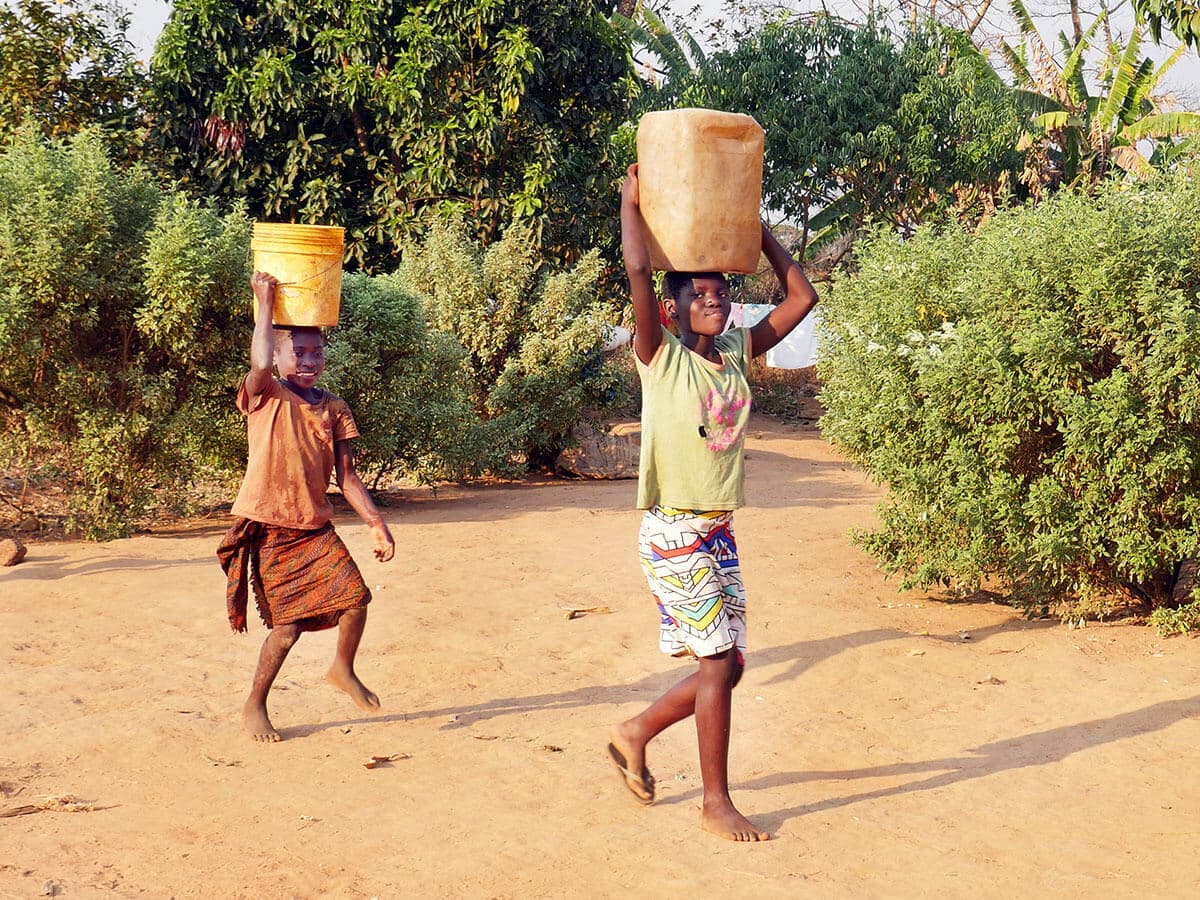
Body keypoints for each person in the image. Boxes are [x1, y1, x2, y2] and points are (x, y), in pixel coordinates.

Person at [607, 163, 818, 841]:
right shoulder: (659, 356)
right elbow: (640, 274)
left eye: (722, 290)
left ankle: (636, 731)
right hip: (673, 533)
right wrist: (630, 203)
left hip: (717, 534)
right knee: (717, 663)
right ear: (671, 309)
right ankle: (714, 803)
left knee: (732, 666)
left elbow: (802, 298)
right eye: (699, 294)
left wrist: (757, 234)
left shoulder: (735, 349)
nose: (715, 300)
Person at [217, 271, 396, 743]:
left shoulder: (334, 407)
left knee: (356, 601)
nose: (311, 360)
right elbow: (255, 363)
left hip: (313, 527)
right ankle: (255, 704)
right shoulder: (265, 393)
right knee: (287, 629)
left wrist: (377, 523)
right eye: (299, 351)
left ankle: (342, 668)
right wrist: (265, 303)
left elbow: (348, 476)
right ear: (276, 357)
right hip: (272, 526)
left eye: (318, 352)